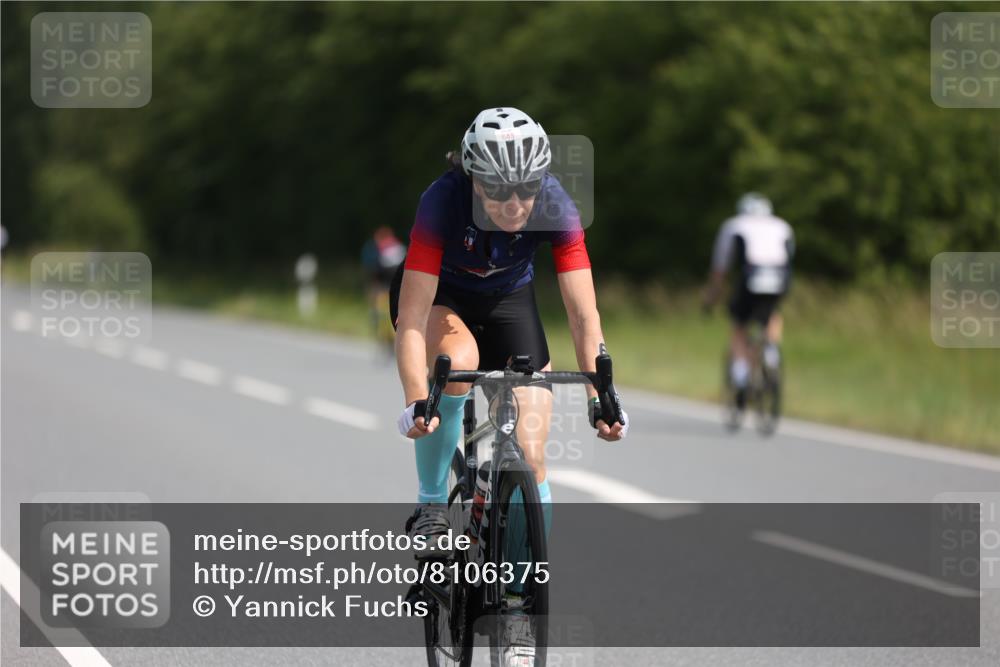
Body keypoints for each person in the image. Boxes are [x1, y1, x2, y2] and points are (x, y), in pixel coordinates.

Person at [391, 107, 628, 665]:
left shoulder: (555, 204)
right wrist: (413, 401)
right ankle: (431, 506)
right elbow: (409, 317)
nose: (514, 204)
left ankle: (518, 608)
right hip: (441, 302)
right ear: (472, 177)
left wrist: (601, 396)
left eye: (525, 189)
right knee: (458, 363)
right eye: (497, 190)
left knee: (534, 452)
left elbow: (583, 315)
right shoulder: (441, 201)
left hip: (509, 305)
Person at [703, 193, 794, 408]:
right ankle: (770, 351)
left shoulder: (734, 225)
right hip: (779, 278)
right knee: (772, 314)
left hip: (751, 277)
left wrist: (711, 299)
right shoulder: (782, 226)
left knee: (739, 325)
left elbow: (720, 269)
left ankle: (742, 374)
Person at [361, 226, 406, 350]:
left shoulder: (380, 250)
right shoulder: (400, 249)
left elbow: (375, 272)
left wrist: (373, 288)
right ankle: (394, 340)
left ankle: (386, 341)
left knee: (382, 317)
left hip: (383, 289)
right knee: (394, 316)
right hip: (400, 289)